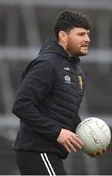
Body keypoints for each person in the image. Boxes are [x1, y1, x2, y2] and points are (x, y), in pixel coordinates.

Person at [12, 10, 106, 175]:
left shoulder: (76, 71)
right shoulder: (47, 64)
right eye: (81, 34)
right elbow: (21, 105)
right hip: (37, 151)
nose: (87, 39)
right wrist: (57, 132)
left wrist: (87, 140)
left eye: (88, 34)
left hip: (49, 153)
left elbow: (64, 113)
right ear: (63, 36)